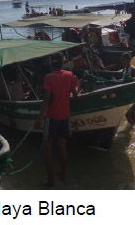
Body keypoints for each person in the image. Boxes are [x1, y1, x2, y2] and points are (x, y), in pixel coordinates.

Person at [35, 53, 80, 187]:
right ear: (63, 62)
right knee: (62, 146)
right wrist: (77, 84)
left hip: (52, 117)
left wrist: (40, 118)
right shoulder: (69, 75)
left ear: (51, 63)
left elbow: (46, 100)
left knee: (47, 148)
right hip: (65, 116)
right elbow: (75, 93)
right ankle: (63, 173)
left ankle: (51, 180)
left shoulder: (48, 77)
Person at [120, 52, 135, 125]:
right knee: (127, 112)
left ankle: (133, 125)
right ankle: (132, 125)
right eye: (122, 60)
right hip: (125, 93)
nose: (123, 62)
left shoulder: (133, 70)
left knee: (131, 111)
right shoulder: (124, 70)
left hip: (132, 93)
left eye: (124, 60)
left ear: (129, 60)